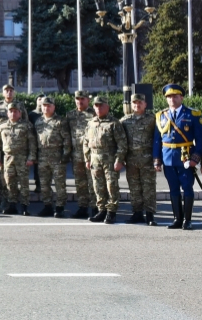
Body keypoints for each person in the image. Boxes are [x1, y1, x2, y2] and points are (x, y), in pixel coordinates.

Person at [153, 84, 202, 230]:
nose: (172, 99)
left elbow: (200, 139)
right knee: (173, 188)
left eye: (175, 96)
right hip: (168, 158)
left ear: (181, 97)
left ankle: (187, 220)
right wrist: (157, 160)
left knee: (187, 188)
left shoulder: (192, 114)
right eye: (169, 97)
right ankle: (177, 219)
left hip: (185, 157)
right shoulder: (161, 116)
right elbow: (157, 140)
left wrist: (195, 158)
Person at [84, 96, 128, 224]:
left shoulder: (114, 123)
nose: (98, 108)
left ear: (107, 107)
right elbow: (86, 142)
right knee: (98, 186)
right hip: (94, 158)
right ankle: (101, 210)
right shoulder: (91, 123)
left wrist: (119, 160)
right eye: (96, 106)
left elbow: (122, 143)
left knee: (111, 186)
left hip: (110, 158)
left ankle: (111, 212)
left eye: (101, 105)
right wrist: (87, 158)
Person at [120, 93, 157, 225]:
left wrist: (157, 158)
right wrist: (121, 158)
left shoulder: (152, 119)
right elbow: (120, 141)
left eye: (140, 102)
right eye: (134, 103)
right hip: (131, 160)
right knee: (134, 188)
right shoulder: (124, 121)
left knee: (149, 187)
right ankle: (137, 213)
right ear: (131, 104)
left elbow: (158, 138)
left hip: (147, 159)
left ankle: (150, 215)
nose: (137, 105)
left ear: (145, 104)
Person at [33, 97, 71, 218]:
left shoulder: (60, 121)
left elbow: (67, 139)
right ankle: (47, 206)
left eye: (49, 105)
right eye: (44, 105)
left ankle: (60, 207)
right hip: (43, 156)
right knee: (44, 184)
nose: (46, 107)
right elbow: (35, 141)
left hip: (57, 156)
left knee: (59, 184)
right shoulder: (39, 121)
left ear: (54, 107)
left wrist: (65, 155)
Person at [0, 102, 36, 215]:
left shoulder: (26, 125)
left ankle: (24, 206)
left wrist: (31, 158)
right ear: (8, 113)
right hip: (8, 158)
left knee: (24, 183)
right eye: (11, 111)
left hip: (22, 158)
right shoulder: (3, 126)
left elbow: (32, 143)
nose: (13, 113)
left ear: (20, 113)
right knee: (9, 182)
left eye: (15, 111)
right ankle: (12, 204)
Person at [66, 90, 98, 219]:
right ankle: (82, 207)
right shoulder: (70, 115)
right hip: (76, 155)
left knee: (93, 182)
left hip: (91, 155)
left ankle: (96, 208)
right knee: (80, 183)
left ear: (88, 100)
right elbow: (67, 134)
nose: (80, 101)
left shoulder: (94, 114)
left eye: (82, 99)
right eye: (77, 99)